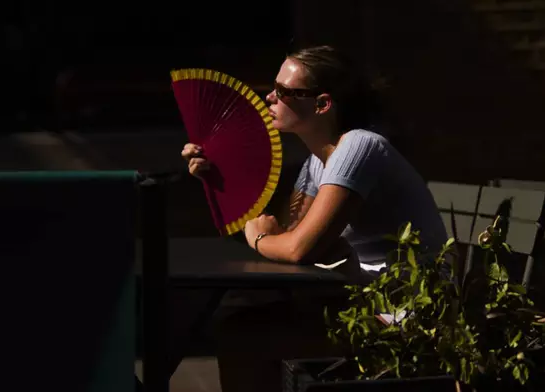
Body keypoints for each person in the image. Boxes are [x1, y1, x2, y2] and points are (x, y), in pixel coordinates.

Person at [180, 45, 447, 392]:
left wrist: (259, 239)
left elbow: (296, 248)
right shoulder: (316, 163)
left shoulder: (359, 147)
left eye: (284, 92)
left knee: (243, 335)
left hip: (408, 316)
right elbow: (289, 234)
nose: (269, 98)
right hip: (363, 300)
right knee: (241, 324)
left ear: (322, 104)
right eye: (273, 88)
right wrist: (219, 180)